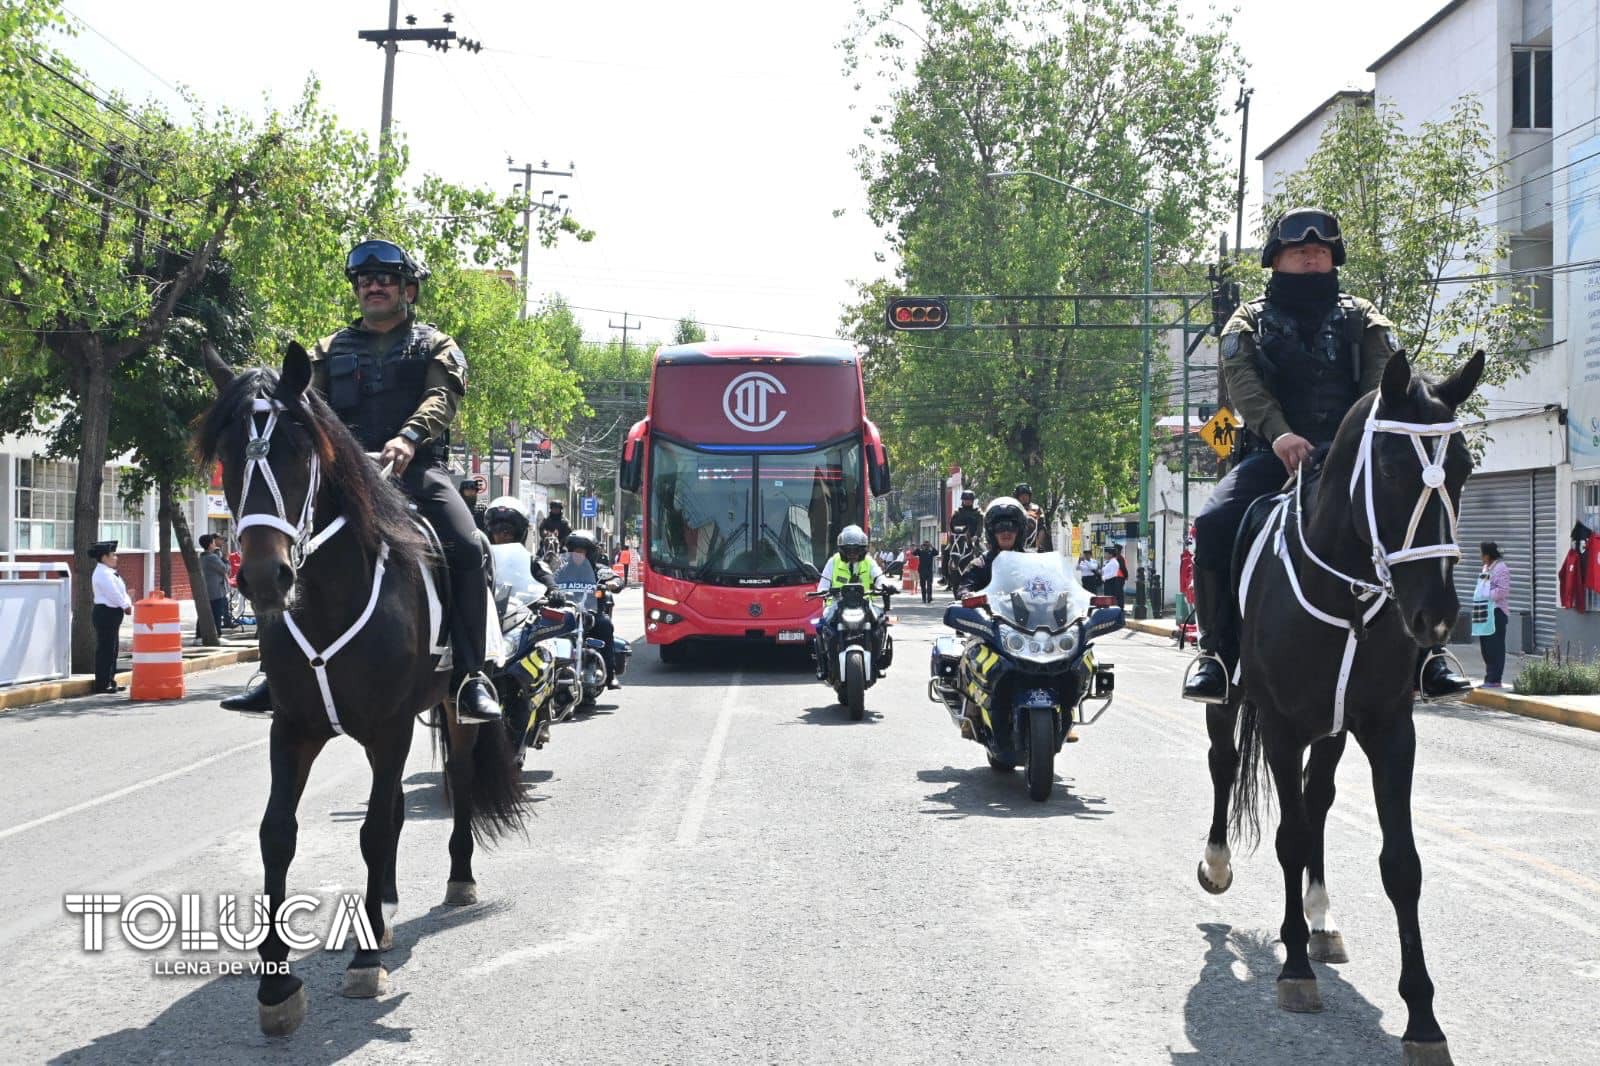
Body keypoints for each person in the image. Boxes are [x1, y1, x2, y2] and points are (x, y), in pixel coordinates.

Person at [1182, 207, 1469, 704]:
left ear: (1333, 259)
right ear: (1276, 260)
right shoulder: (1247, 320)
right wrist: (1280, 435)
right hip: (1275, 454)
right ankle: (1217, 654)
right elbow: (1246, 388)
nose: (1311, 259)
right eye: (1300, 252)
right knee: (1212, 524)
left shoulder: (1366, 317)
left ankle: (1428, 656)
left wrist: (1351, 445)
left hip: (1354, 458)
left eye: (1320, 252)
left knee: (1417, 518)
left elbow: (1383, 386)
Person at [221, 239, 501, 722]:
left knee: (466, 542)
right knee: (286, 544)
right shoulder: (327, 351)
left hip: (416, 468)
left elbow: (442, 398)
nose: (374, 287)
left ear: (407, 289)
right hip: (344, 473)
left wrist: (408, 438)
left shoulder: (437, 345)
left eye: (385, 279)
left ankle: (472, 675)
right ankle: (276, 673)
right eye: (365, 281)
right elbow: (301, 405)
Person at [552, 530, 625, 689]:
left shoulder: (599, 570)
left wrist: (614, 583)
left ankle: (610, 676)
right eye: (574, 550)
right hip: (567, 614)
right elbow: (549, 579)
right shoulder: (562, 570)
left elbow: (616, 579)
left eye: (582, 550)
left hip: (590, 614)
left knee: (605, 625)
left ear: (590, 553)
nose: (578, 554)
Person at [812, 524, 887, 679]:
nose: (852, 553)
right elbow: (823, 583)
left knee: (881, 624)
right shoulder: (833, 562)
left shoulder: (868, 561)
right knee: (823, 626)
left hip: (864, 604)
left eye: (856, 549)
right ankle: (826, 664)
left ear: (863, 549)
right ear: (842, 549)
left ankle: (877, 663)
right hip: (837, 604)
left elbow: (879, 576)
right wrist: (822, 591)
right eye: (848, 550)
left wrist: (885, 585)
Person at [89, 540, 132, 694]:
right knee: (106, 648)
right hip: (105, 613)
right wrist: (125, 605)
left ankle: (110, 680)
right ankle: (102, 683)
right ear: (104, 557)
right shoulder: (102, 573)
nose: (116, 557)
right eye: (113, 554)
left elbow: (122, 591)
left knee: (113, 649)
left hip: (113, 613)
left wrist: (127, 603)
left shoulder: (109, 572)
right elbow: (112, 593)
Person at [959, 497, 1026, 593]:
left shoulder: (1032, 562)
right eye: (1000, 527)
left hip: (1029, 608)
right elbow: (965, 586)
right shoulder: (980, 564)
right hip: (989, 608)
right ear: (991, 532)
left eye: (1011, 527)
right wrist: (966, 593)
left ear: (1019, 531)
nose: (1006, 532)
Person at [1475, 541, 1512, 688]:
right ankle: (1489, 677)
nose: (1480, 557)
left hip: (1496, 612)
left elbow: (1503, 591)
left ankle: (1495, 679)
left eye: (1482, 553)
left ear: (1488, 554)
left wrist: (1485, 594)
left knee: (1495, 647)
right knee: (1486, 647)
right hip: (1484, 612)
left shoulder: (1501, 568)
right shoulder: (1486, 567)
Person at [946, 489, 983, 586]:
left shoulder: (977, 513)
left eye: (969, 500)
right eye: (965, 500)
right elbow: (951, 525)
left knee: (984, 551)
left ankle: (986, 576)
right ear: (962, 500)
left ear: (973, 501)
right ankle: (945, 577)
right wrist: (954, 534)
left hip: (973, 538)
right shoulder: (957, 512)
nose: (967, 501)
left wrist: (976, 536)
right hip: (958, 538)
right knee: (946, 552)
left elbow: (980, 526)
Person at [199, 534, 232, 631]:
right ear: (210, 545)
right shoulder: (212, 557)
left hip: (210, 589)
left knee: (208, 613)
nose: (215, 545)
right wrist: (226, 559)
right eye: (213, 542)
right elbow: (224, 569)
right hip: (215, 591)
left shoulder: (203, 557)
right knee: (216, 613)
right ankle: (217, 633)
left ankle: (200, 634)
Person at [1014, 483, 1050, 552]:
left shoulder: (1036, 509)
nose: (1024, 497)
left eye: (1026, 495)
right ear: (1017, 497)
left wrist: (1038, 546)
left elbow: (1041, 529)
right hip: (1015, 548)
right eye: (1022, 495)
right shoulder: (1013, 509)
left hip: (1032, 548)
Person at [1100, 544, 1127, 609]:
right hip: (1108, 582)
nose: (1105, 555)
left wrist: (1103, 577)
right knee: (1107, 597)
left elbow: (1113, 574)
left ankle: (1114, 611)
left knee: (1112, 597)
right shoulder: (1108, 562)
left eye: (1106, 553)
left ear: (1110, 555)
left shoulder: (1114, 562)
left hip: (1112, 582)